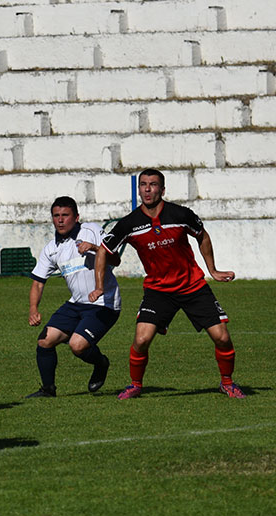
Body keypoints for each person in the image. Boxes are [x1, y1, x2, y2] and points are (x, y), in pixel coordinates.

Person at [90, 168, 244, 400]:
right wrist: (99, 286)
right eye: (143, 184)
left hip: (192, 286)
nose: (147, 189)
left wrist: (212, 270)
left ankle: (227, 383)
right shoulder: (129, 223)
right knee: (141, 340)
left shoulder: (180, 214)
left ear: (162, 190)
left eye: (153, 184)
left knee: (222, 337)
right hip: (158, 291)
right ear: (138, 189)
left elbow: (202, 235)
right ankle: (135, 385)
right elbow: (103, 250)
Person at [25, 196, 118, 398]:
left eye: (65, 215)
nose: (60, 220)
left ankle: (101, 363)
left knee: (77, 346)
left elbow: (115, 259)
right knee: (44, 341)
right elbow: (38, 282)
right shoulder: (52, 248)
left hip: (104, 303)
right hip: (76, 304)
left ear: (76, 217)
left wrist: (95, 248)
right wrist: (33, 309)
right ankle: (48, 390)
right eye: (56, 215)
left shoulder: (91, 230)